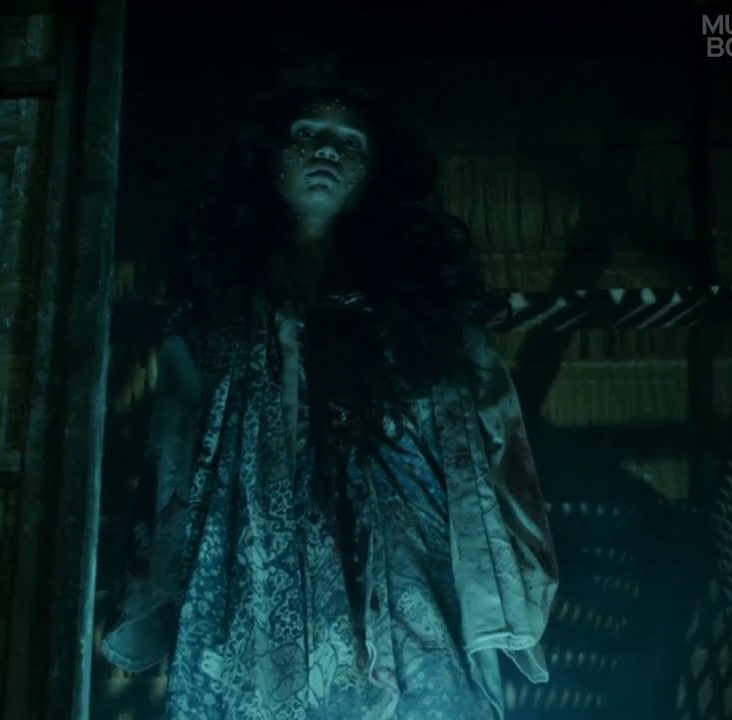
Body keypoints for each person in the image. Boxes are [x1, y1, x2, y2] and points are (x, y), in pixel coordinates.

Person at [100, 77, 559, 720]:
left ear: (373, 173)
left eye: (350, 143)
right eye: (308, 135)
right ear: (272, 158)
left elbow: (485, 420)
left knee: (422, 680)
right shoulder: (216, 300)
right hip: (254, 529)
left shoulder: (418, 303)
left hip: (397, 535)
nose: (327, 151)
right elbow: (176, 437)